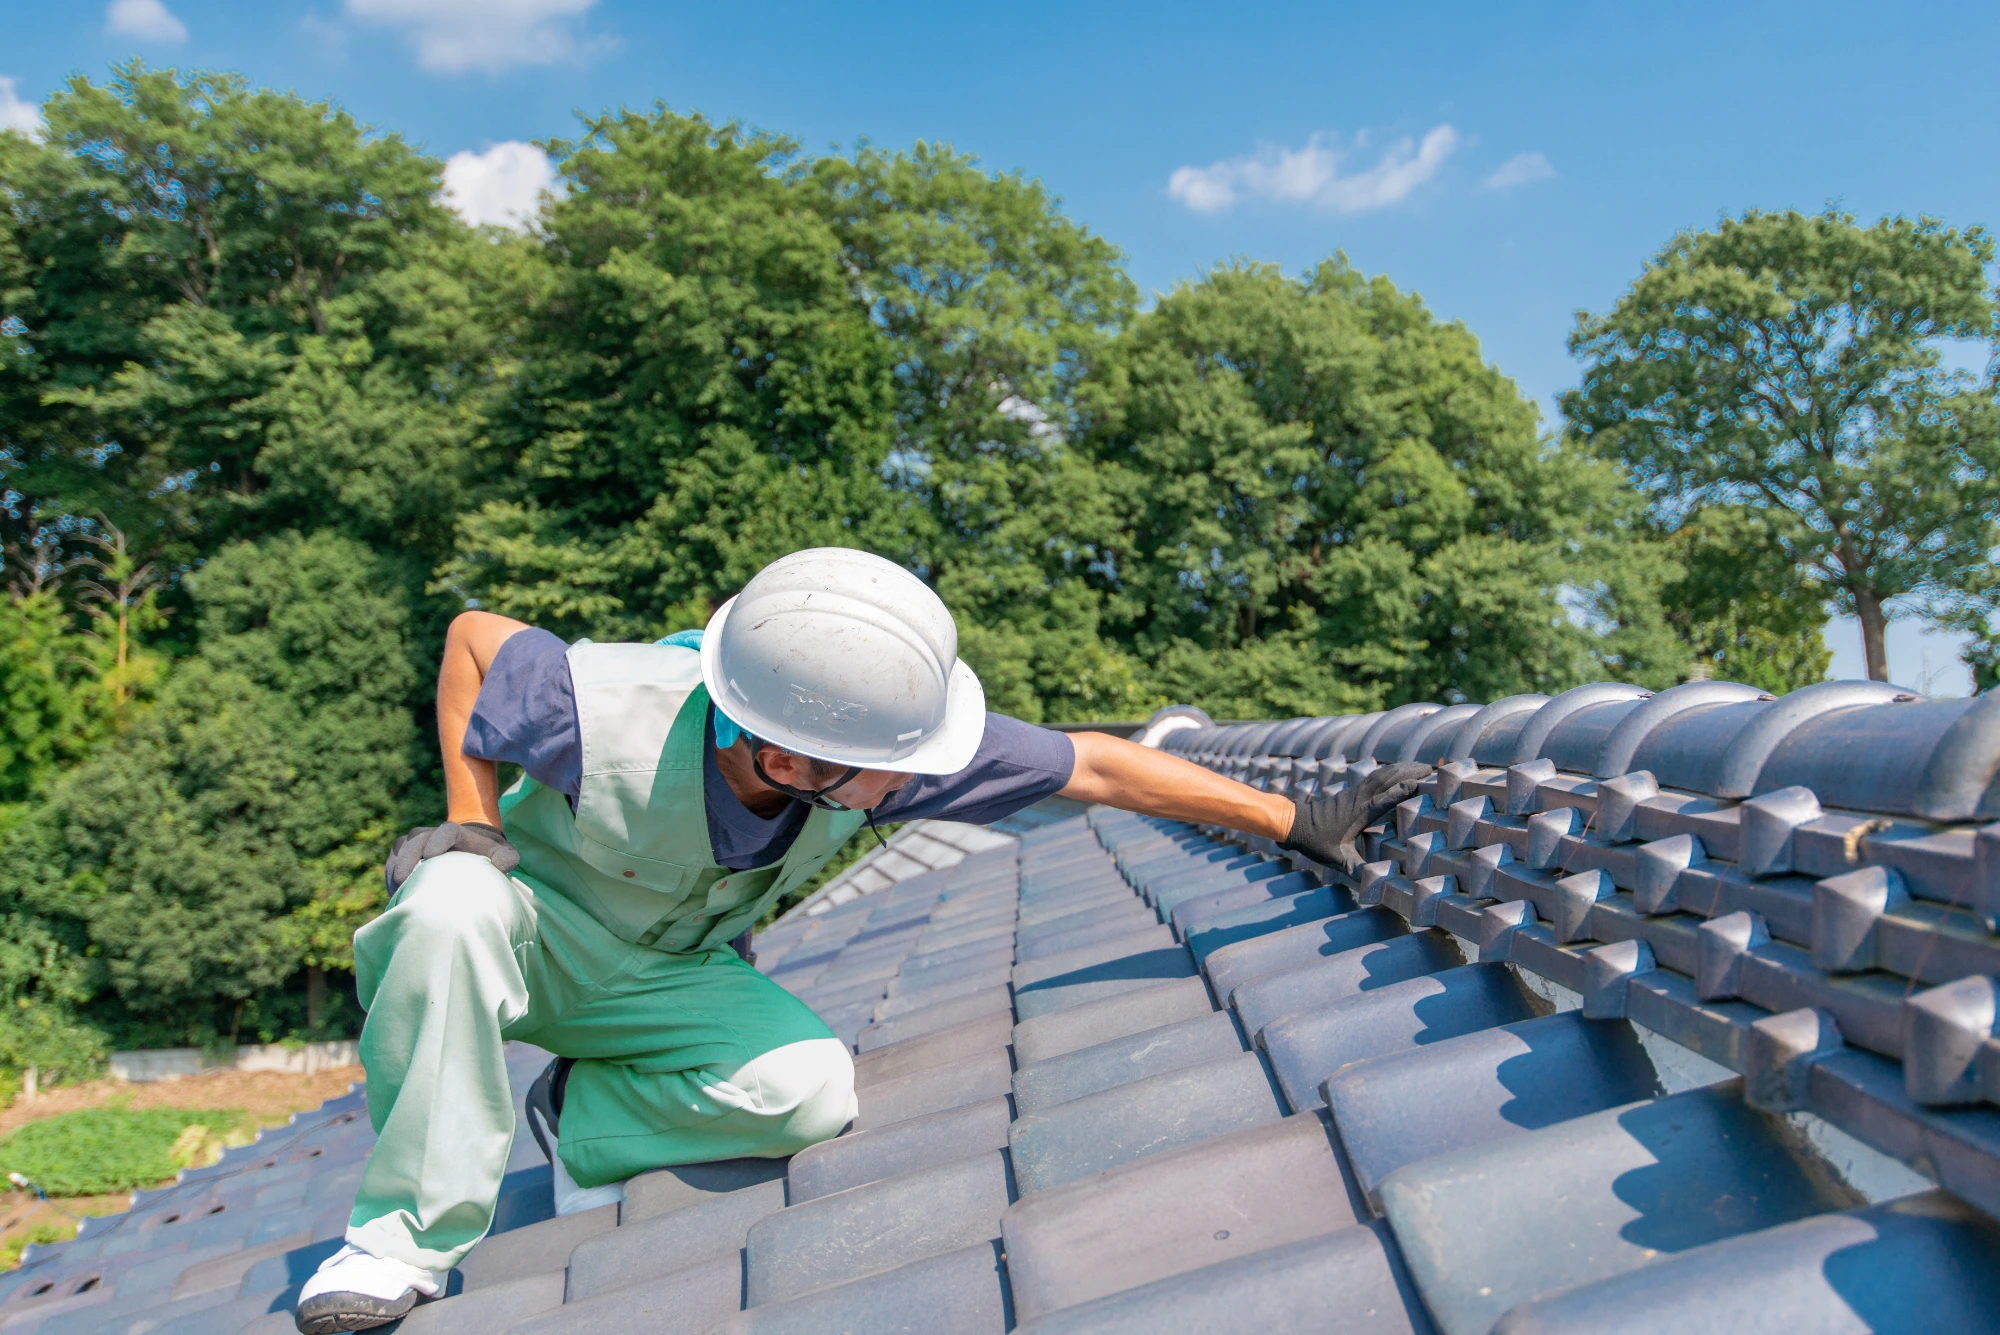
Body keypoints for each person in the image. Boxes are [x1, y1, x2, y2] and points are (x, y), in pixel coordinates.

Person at [294, 547, 1426, 1333]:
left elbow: (1096, 763)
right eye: (900, 762)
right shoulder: (612, 706)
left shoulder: (871, 742)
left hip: (663, 972)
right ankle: (401, 1239)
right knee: (445, 903)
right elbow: (474, 643)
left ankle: (576, 1112)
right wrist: (471, 825)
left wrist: (1294, 820)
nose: (921, 777)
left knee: (808, 1090)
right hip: (521, 929)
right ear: (783, 756)